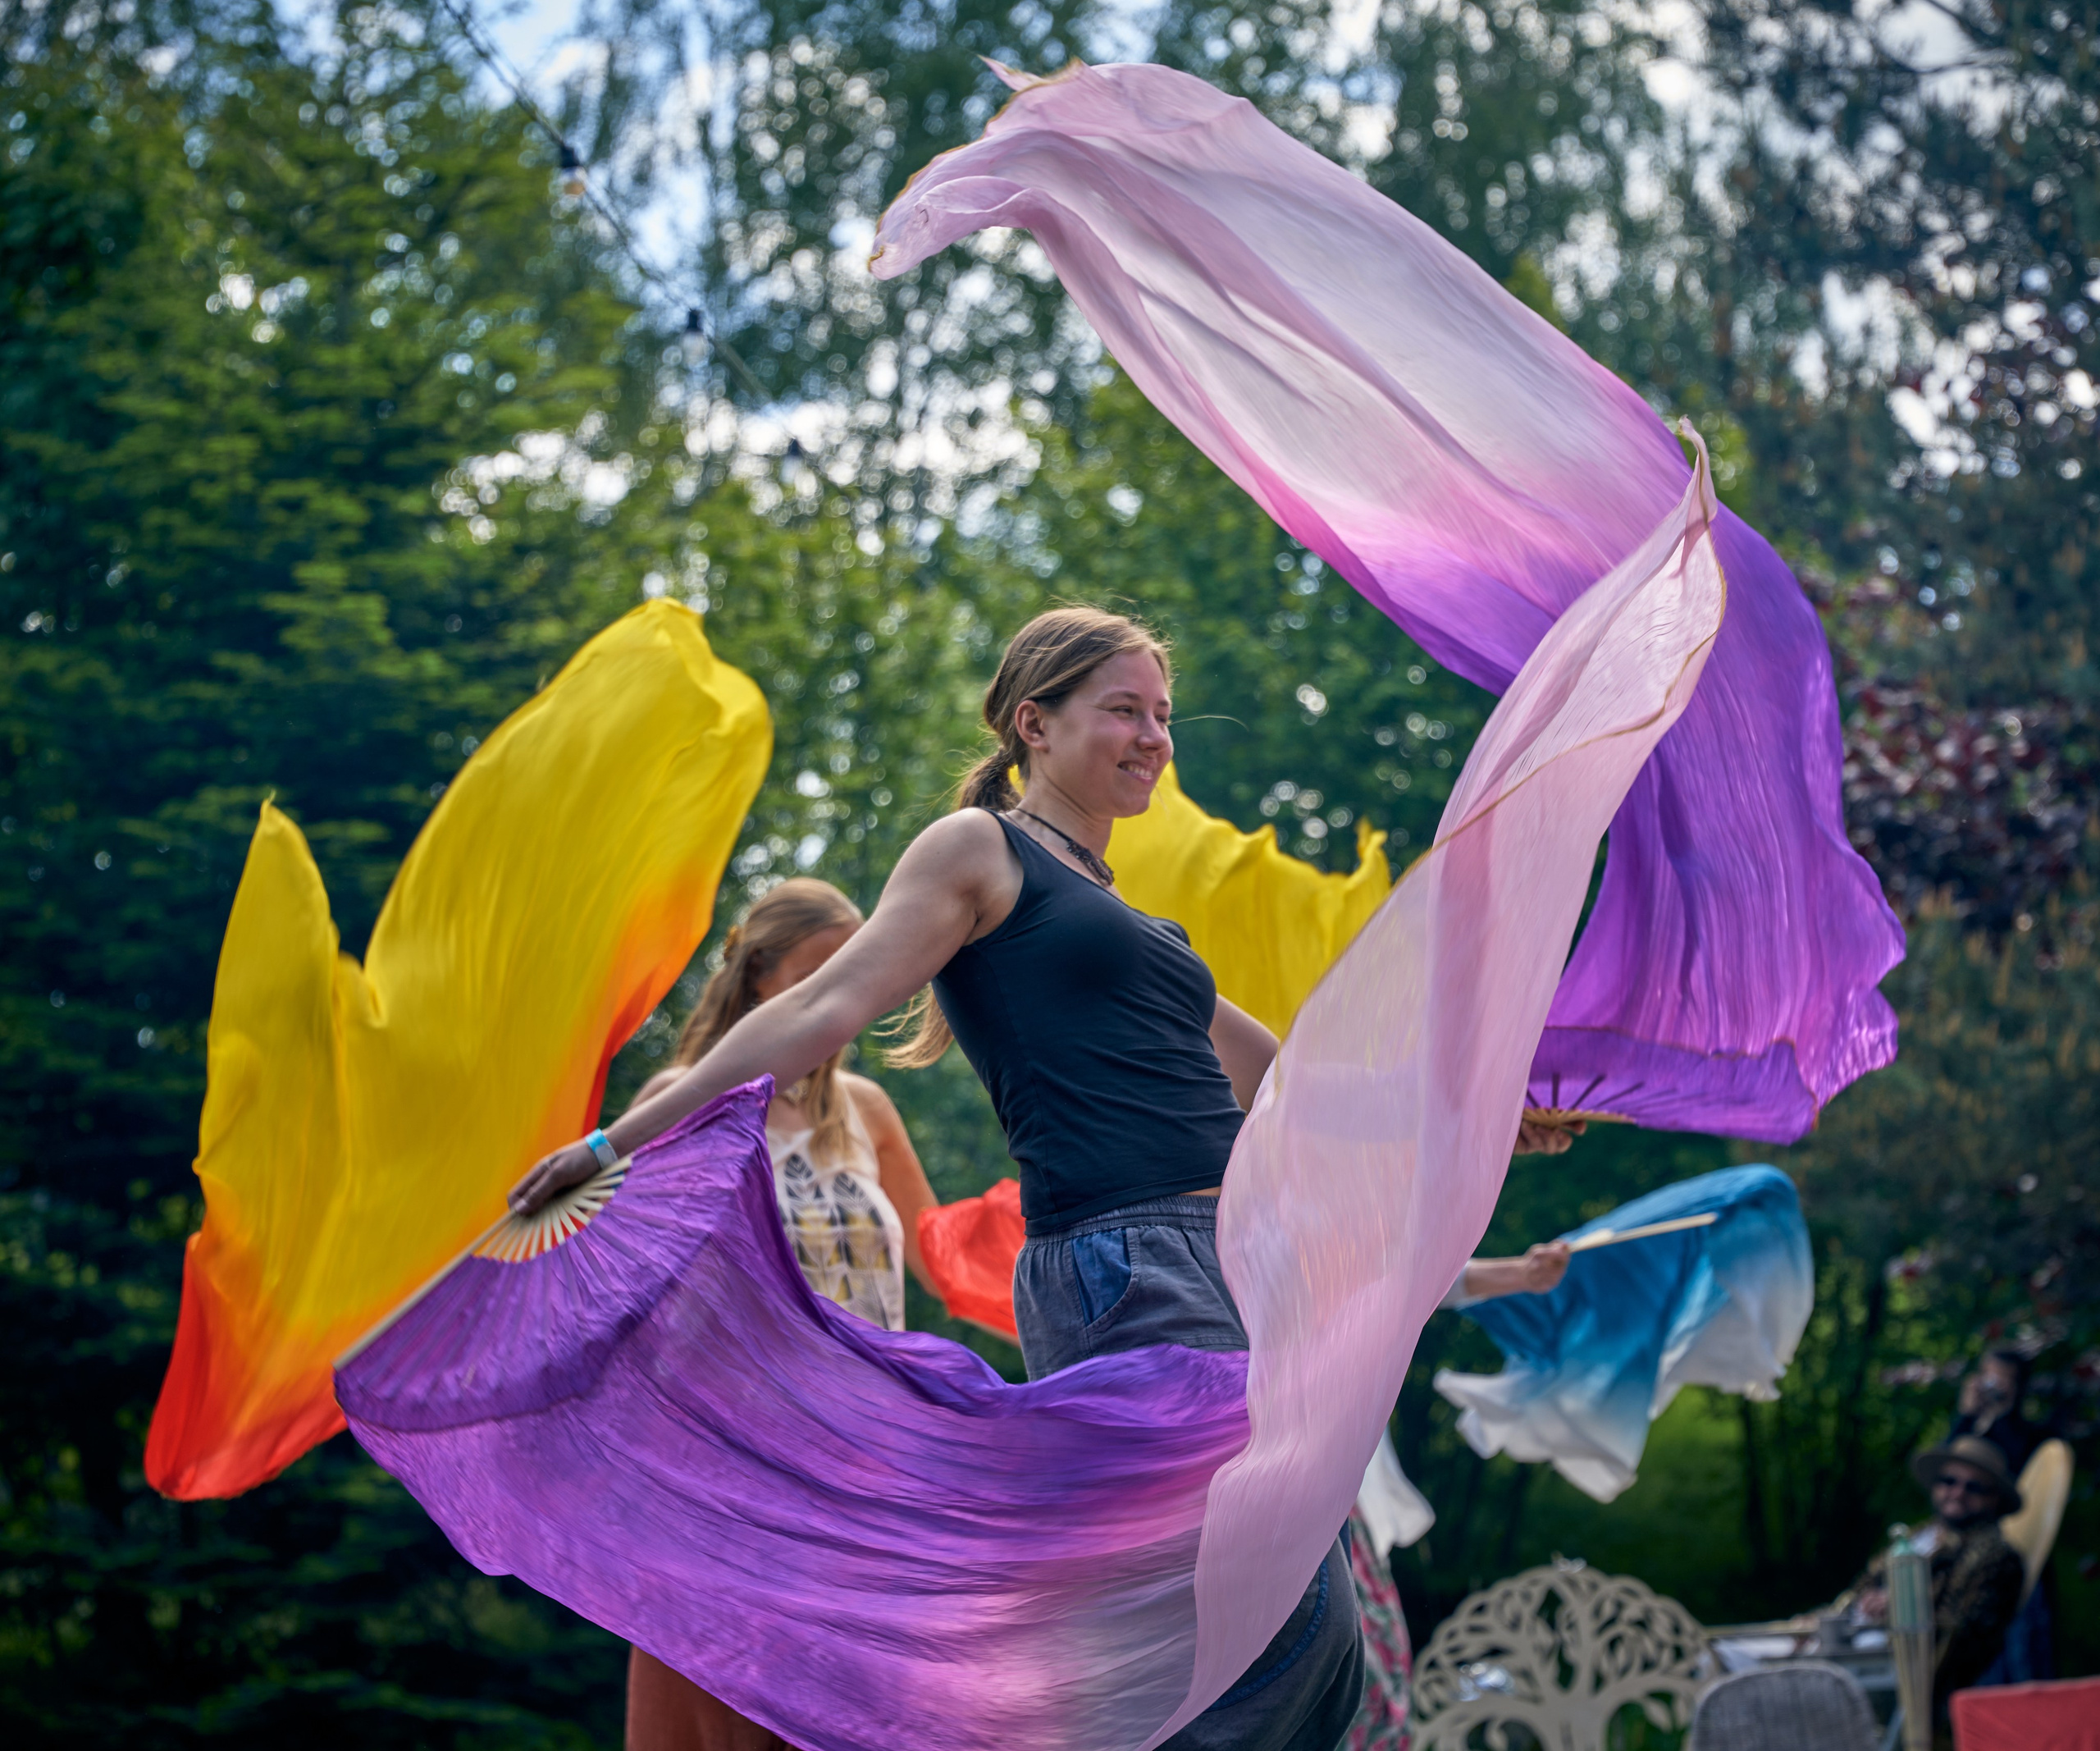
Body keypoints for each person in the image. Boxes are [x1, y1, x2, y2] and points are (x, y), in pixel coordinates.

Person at [513, 606, 1375, 1749]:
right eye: (1124, 708)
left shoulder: (1132, 919)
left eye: (1162, 714)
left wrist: (1486, 1111)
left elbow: (1290, 1077)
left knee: (1319, 1649)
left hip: (1230, 1263)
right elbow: (821, 1004)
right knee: (1271, 1629)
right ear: (1035, 722)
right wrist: (619, 1139)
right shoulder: (980, 851)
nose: (1154, 735)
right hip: (1128, 1262)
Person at [620, 877, 942, 1751]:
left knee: (860, 1690)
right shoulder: (686, 1095)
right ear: (762, 976)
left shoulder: (865, 1108)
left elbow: (938, 1252)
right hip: (736, 1442)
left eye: (860, 967)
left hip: (867, 1443)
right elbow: (628, 1273)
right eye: (819, 969)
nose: (848, 990)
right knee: (731, 1681)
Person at [1842, 1434, 2026, 1717]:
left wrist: (1901, 1607)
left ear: (1994, 1499)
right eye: (1949, 1481)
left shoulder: (1995, 1555)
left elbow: (1966, 1634)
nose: (1958, 1493)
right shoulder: (1917, 1535)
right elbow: (1863, 1587)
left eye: (1974, 1487)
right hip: (1845, 1650)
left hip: (1900, 1683)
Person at [1950, 1348, 2043, 1477]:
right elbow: (1946, 1457)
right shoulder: (1969, 1424)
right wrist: (1967, 1414)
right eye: (1986, 1375)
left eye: (2001, 1378)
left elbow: (2011, 1466)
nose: (1990, 1385)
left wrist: (2003, 1413)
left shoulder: (2029, 1434)